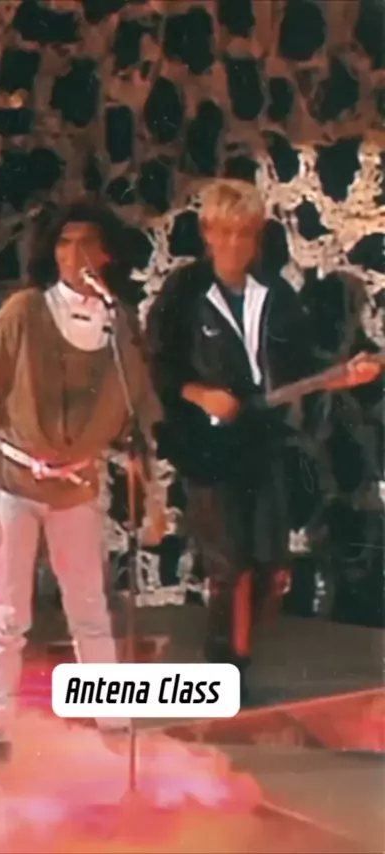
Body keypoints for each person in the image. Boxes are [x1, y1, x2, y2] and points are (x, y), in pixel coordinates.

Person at [0, 199, 165, 762]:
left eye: (86, 243)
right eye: (63, 242)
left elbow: (136, 425)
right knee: (9, 614)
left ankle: (113, 722)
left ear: (106, 255)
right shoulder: (25, 312)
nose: (73, 254)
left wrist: (153, 499)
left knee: (90, 608)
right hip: (14, 480)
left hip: (77, 486)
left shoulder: (118, 327)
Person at [146, 178, 382, 700]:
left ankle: (241, 653)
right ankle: (226, 670)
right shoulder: (185, 292)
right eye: (225, 232)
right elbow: (158, 364)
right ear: (208, 233)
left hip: (263, 441)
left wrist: (343, 375)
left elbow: (300, 369)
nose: (235, 244)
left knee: (270, 560)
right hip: (208, 449)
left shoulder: (275, 294)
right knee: (229, 563)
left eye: (245, 234)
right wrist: (199, 394)